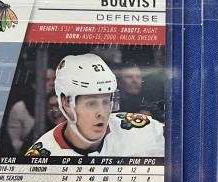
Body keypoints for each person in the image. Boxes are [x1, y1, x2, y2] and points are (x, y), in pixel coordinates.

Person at [25, 53, 164, 157]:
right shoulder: (41, 156)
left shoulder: (140, 127)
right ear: (66, 103)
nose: (102, 113)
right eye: (91, 104)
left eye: (106, 102)